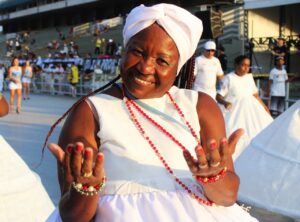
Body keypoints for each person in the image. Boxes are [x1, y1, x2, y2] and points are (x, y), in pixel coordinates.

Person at [46, 4, 257, 222]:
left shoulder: (200, 106)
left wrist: (214, 177)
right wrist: (85, 191)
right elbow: (73, 216)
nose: (145, 67)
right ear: (124, 50)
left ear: (178, 68)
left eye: (162, 61)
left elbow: (227, 197)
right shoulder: (91, 110)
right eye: (137, 52)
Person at [216, 55, 273, 160]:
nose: (246, 68)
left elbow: (255, 95)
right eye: (243, 65)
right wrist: (225, 103)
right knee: (235, 134)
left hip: (252, 111)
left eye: (248, 66)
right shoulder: (228, 78)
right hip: (235, 111)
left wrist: (265, 107)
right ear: (236, 65)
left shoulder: (249, 77)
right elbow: (219, 96)